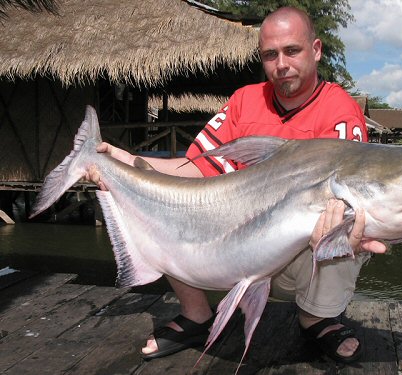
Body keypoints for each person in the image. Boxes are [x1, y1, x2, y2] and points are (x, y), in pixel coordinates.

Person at [89, 6, 386, 364]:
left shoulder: (340, 112)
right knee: (161, 205)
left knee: (341, 225)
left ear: (316, 49)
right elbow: (194, 166)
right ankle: (197, 314)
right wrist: (126, 162)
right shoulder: (245, 101)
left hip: (299, 260)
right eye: (270, 55)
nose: (281, 64)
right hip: (233, 249)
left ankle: (316, 317)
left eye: (292, 51)